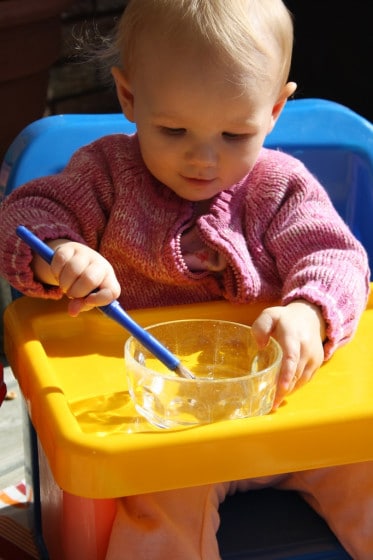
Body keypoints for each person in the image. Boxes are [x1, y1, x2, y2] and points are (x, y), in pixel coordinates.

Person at [0, 1, 371, 558]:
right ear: (128, 97)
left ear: (273, 111)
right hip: (168, 431)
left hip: (286, 415)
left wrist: (309, 313)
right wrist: (61, 254)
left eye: (235, 134)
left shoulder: (280, 188)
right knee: (160, 514)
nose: (203, 158)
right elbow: (23, 220)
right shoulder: (103, 176)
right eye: (173, 130)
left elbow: (339, 258)